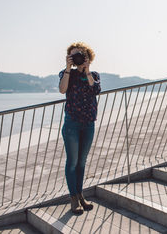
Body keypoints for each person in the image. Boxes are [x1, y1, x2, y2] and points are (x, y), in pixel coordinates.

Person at [59, 42, 101, 214]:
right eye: (73, 55)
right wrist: (69, 68)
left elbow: (96, 90)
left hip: (89, 124)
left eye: (80, 55)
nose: (77, 58)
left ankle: (81, 196)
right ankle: (73, 199)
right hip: (72, 124)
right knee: (72, 162)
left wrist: (87, 69)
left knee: (81, 163)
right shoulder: (66, 73)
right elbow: (62, 90)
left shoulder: (94, 74)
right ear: (70, 58)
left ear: (87, 57)